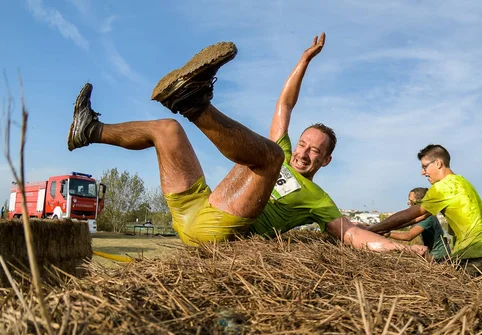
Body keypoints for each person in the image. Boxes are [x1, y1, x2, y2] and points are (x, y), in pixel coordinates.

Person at [67, 33, 426, 255]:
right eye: (303, 144)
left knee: (269, 157)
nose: (303, 152)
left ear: (326, 161)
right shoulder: (285, 149)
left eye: (315, 150)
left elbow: (353, 236)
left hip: (218, 233)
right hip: (194, 208)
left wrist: (405, 252)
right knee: (166, 130)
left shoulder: (318, 200)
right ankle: (90, 130)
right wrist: (303, 62)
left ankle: (195, 103)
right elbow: (285, 106)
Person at [367, 144, 482, 276]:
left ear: (438, 163)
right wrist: (382, 229)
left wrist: (370, 230)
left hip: (473, 255)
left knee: (451, 294)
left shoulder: (443, 187)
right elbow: (420, 217)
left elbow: (408, 215)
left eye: (424, 167)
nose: (422, 172)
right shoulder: (462, 182)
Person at [385, 188, 450, 262]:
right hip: (433, 253)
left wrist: (387, 234)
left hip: (439, 256)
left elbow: (408, 236)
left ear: (419, 202)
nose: (409, 203)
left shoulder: (427, 218)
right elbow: (402, 224)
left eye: (411, 200)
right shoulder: (422, 216)